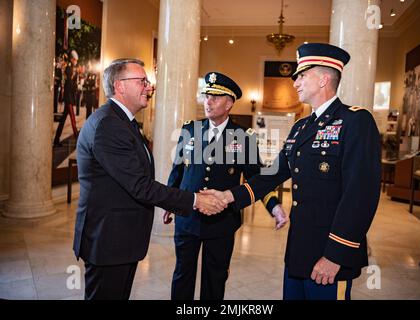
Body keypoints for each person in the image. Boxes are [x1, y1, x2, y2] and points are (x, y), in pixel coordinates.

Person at [203, 43, 381, 300]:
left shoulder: (355, 121)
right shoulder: (301, 127)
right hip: (299, 251)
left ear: (324, 79)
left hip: (330, 255)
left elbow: (360, 196)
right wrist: (228, 196)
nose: (295, 82)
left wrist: (335, 255)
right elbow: (273, 173)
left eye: (302, 75)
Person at [73, 58, 227, 300]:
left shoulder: (123, 122)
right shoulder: (108, 125)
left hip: (120, 240)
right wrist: (195, 200)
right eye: (142, 81)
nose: (149, 87)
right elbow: (140, 186)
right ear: (119, 86)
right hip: (109, 240)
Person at [163, 72, 288, 300]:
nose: (207, 101)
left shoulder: (244, 137)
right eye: (206, 96)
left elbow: (256, 177)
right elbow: (178, 170)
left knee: (215, 277)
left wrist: (274, 206)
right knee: (183, 273)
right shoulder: (190, 129)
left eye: (215, 97)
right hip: (187, 217)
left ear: (229, 103)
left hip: (221, 222)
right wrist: (170, 203)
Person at [54, 49, 79, 147]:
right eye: (75, 60)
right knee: (72, 119)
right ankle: (78, 139)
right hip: (68, 97)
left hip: (69, 97)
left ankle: (56, 139)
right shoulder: (70, 68)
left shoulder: (72, 68)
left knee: (63, 120)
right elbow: (69, 84)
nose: (76, 61)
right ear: (73, 59)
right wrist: (75, 86)